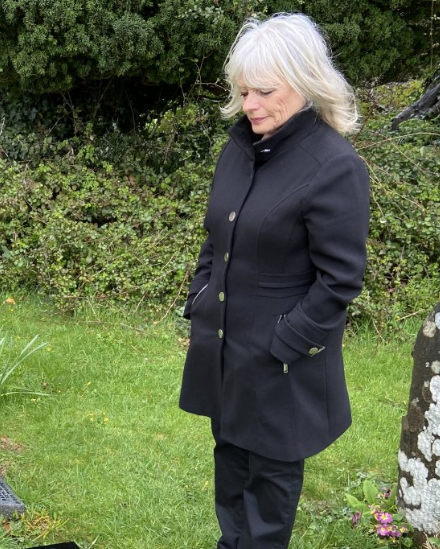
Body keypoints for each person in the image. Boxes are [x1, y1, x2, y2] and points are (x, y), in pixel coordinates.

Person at [179, 13, 370, 549]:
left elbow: (340, 280)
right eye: (243, 91)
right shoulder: (240, 148)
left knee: (268, 488)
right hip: (225, 348)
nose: (250, 105)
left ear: (306, 83)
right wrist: (200, 297)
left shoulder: (334, 166)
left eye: (264, 91)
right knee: (230, 464)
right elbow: (218, 234)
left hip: (282, 362)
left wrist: (283, 344)